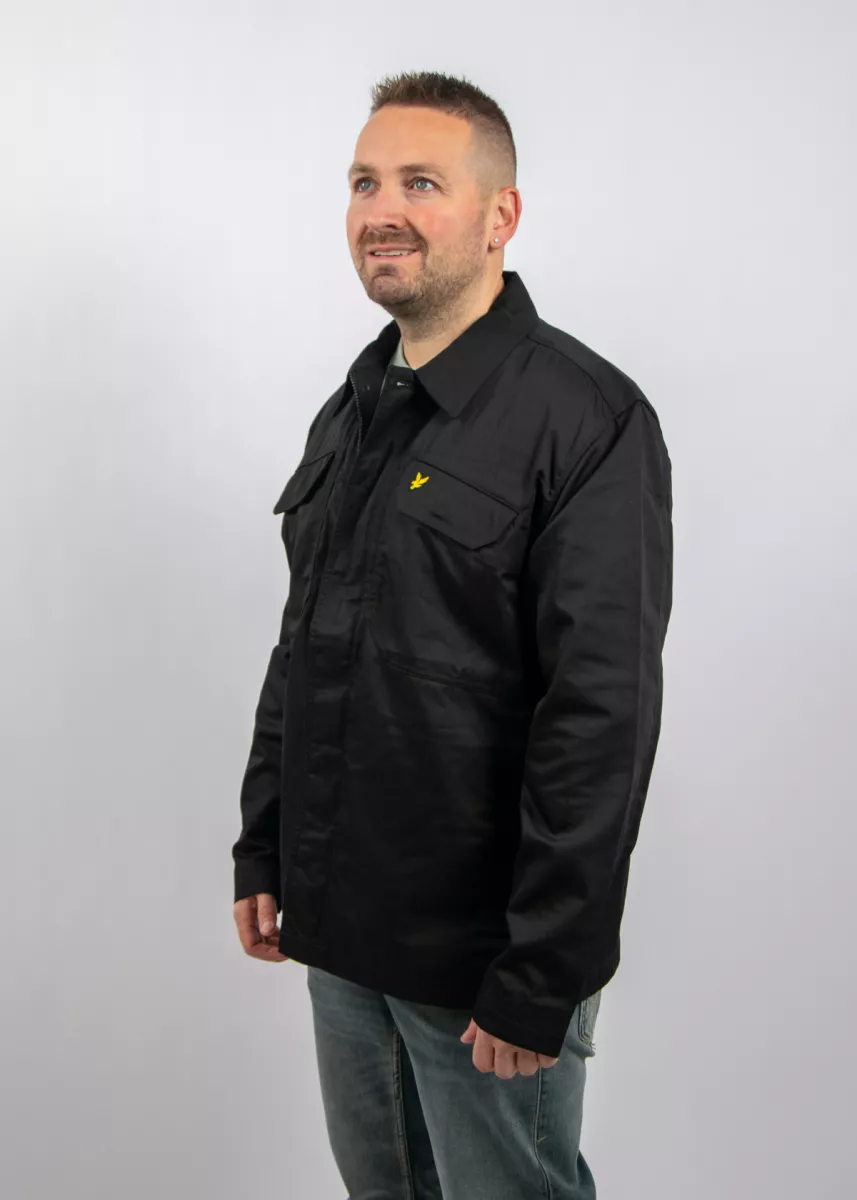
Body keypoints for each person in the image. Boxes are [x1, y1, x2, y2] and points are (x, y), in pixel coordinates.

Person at [232, 69, 673, 1199]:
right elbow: (304, 646)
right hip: (341, 934)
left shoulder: (586, 419)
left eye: (420, 183)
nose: (382, 210)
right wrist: (264, 844)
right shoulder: (354, 407)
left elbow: (600, 717)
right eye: (363, 182)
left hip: (482, 961)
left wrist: (542, 969)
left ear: (498, 214)